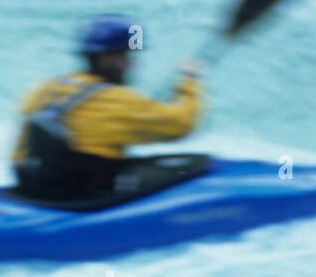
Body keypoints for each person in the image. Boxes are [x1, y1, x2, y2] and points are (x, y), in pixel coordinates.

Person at [11, 14, 208, 204]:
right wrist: (190, 80)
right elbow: (183, 124)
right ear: (106, 58)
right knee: (190, 167)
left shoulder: (46, 88)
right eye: (125, 55)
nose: (130, 63)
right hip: (80, 194)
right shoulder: (115, 100)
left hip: (31, 186)